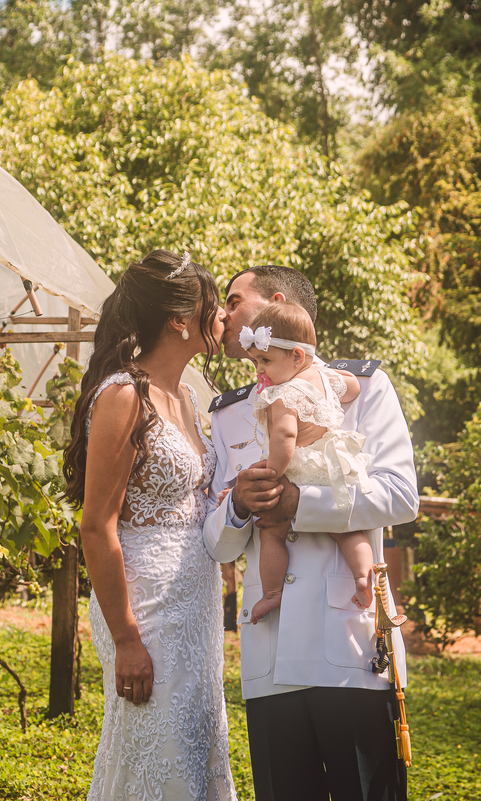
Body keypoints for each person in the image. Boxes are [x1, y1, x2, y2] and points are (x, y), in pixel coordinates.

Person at [202, 265, 418, 801]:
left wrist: (299, 503)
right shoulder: (228, 415)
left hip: (348, 650)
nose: (224, 314)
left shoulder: (361, 388)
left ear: (275, 303)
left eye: (235, 300)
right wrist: (239, 512)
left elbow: (399, 495)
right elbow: (215, 542)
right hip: (269, 658)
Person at [63, 249, 237, 801]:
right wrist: (126, 637)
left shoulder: (186, 398)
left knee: (194, 747)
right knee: (158, 751)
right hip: (147, 610)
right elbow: (96, 525)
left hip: (197, 606)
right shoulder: (123, 396)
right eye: (216, 305)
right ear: (179, 320)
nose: (225, 318)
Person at [237, 301, 373, 624]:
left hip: (300, 471)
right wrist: (330, 378)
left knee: (271, 529)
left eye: (265, 361)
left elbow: (284, 439)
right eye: (256, 361)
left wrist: (272, 473)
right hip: (333, 469)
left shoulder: (282, 394)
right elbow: (353, 387)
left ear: (296, 356)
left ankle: (272, 593)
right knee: (349, 532)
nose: (260, 371)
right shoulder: (325, 379)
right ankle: (364, 576)